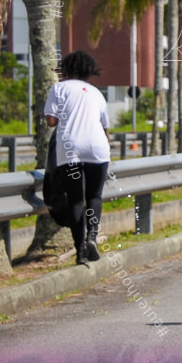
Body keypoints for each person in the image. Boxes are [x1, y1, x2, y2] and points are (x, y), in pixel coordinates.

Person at [43, 50, 111, 266]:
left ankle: (80, 251)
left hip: (71, 149)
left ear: (67, 70)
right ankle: (92, 235)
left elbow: (51, 121)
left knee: (75, 199)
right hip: (97, 148)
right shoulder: (96, 92)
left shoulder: (59, 88)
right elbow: (105, 127)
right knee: (94, 196)